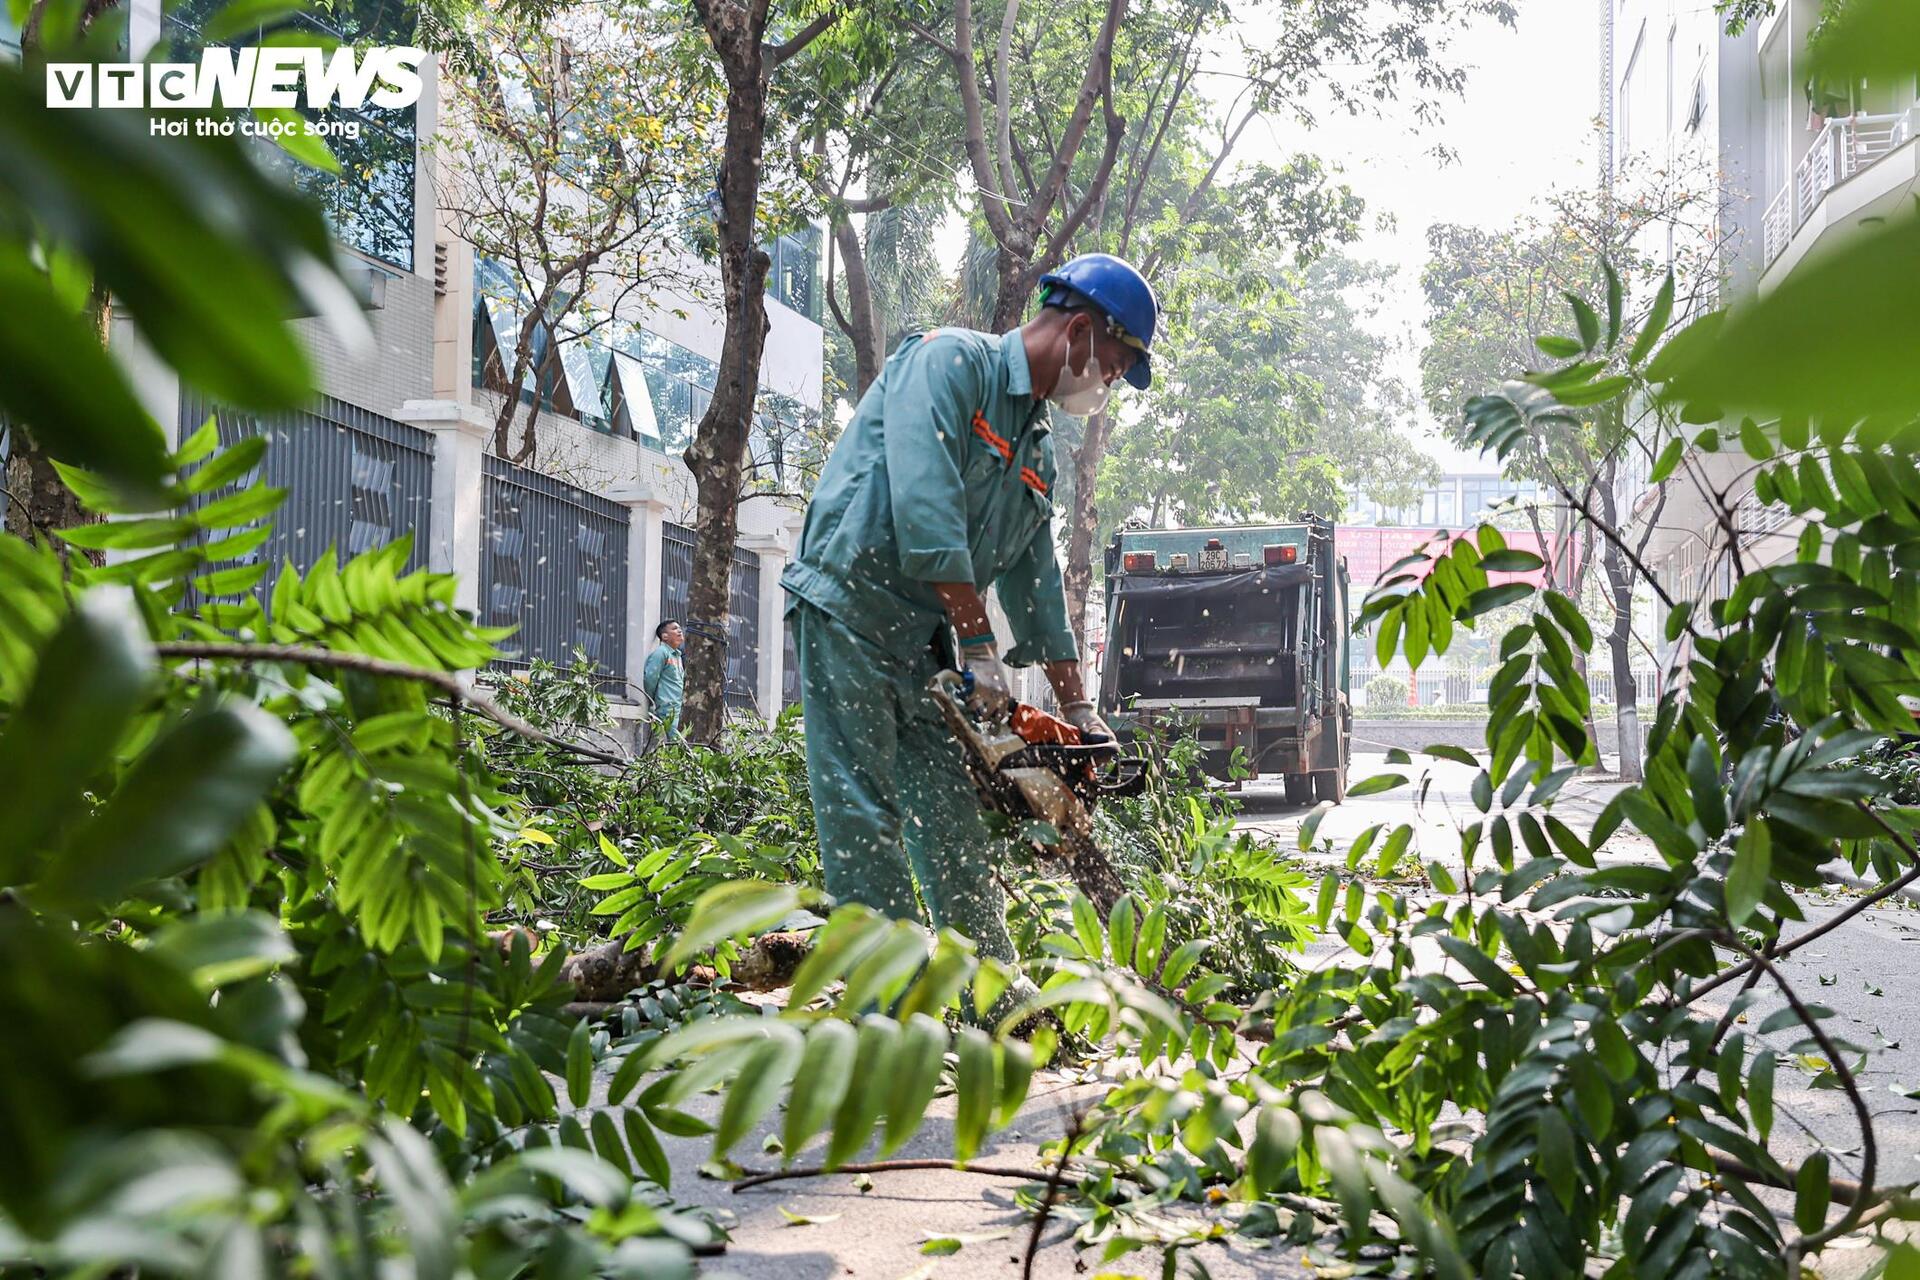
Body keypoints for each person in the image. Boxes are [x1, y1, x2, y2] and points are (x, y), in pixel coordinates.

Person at [781, 252, 1157, 969]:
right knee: (866, 818)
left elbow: (1037, 580)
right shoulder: (950, 363)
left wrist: (1079, 713)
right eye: (1113, 365)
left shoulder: (1036, 447)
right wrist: (979, 646)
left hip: (922, 645)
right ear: (1079, 330)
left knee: (949, 821)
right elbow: (925, 508)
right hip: (848, 609)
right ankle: (885, 1015)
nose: (1110, 383)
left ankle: (996, 996)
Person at [643, 619, 685, 745]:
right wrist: (654, 700)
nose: (679, 631)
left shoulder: (677, 656)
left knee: (679, 745)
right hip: (667, 710)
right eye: (674, 628)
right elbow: (650, 678)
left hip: (677, 709)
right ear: (664, 636)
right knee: (677, 745)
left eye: (679, 628)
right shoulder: (661, 653)